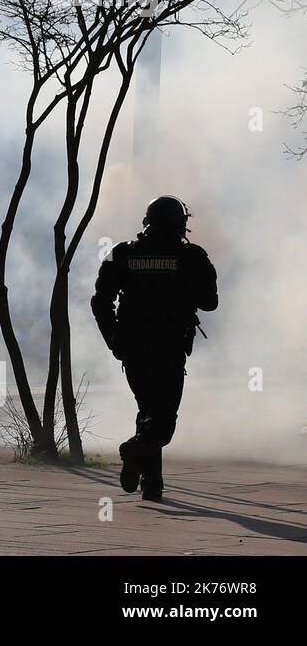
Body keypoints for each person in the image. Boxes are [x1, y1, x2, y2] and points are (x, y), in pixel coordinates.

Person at [91, 195, 218, 502]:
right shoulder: (191, 257)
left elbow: (100, 301)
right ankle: (135, 450)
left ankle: (152, 484)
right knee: (163, 421)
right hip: (169, 347)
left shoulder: (122, 254)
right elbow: (210, 302)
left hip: (133, 347)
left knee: (148, 411)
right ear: (181, 224)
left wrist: (114, 340)